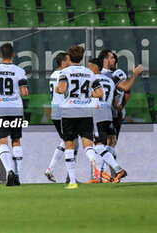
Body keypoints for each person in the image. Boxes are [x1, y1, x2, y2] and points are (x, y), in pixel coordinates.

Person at [55, 45, 103, 189]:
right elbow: (99, 93)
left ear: (69, 58)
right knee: (88, 145)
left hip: (69, 112)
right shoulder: (89, 73)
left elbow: (62, 89)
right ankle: (93, 160)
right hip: (85, 111)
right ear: (82, 58)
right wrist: (87, 95)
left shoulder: (65, 72)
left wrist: (58, 89)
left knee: (69, 146)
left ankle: (72, 182)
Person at [0, 43, 28, 186]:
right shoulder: (20, 71)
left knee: (2, 141)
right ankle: (18, 175)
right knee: (16, 140)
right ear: (13, 55)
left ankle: (9, 171)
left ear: (1, 55)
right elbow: (24, 93)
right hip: (16, 109)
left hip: (0, 110)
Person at [98, 49, 143, 177]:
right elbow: (126, 89)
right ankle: (104, 172)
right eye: (112, 58)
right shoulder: (116, 73)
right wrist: (134, 75)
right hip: (112, 113)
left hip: (100, 112)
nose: (115, 60)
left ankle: (107, 172)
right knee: (111, 142)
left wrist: (120, 106)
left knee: (105, 143)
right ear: (105, 60)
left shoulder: (98, 74)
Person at [88, 58, 127, 183]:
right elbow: (116, 101)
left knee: (98, 146)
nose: (88, 69)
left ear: (94, 67)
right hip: (108, 114)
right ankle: (98, 175)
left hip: (96, 113)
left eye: (89, 66)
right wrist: (120, 112)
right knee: (100, 145)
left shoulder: (92, 79)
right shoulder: (110, 81)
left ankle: (117, 169)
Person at [44, 53, 80, 183]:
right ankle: (51, 169)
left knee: (72, 142)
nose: (71, 61)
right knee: (69, 141)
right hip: (63, 111)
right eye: (69, 59)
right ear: (64, 62)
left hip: (55, 111)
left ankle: (68, 176)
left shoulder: (54, 75)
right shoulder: (63, 75)